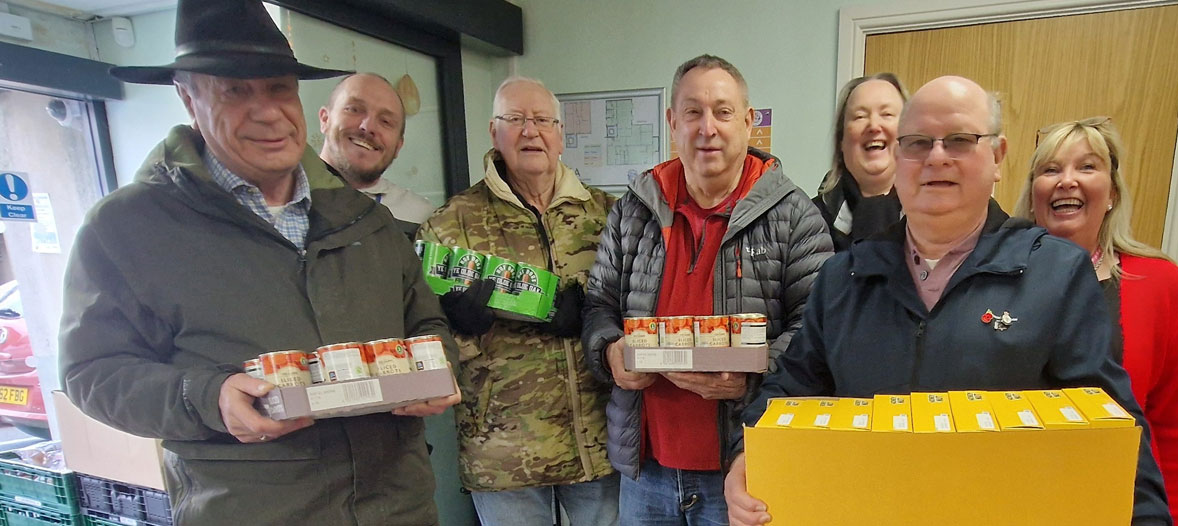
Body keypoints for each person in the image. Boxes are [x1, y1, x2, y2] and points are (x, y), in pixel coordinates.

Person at [58, 1, 459, 524]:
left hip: (395, 505)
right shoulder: (126, 228)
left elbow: (426, 324)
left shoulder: (364, 219)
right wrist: (207, 396)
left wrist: (438, 368)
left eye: (278, 88)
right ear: (188, 96)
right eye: (235, 91)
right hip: (251, 509)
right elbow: (91, 372)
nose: (268, 111)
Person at [724, 76, 1172, 526]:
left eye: (959, 140)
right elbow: (789, 391)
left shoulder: (1057, 274)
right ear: (899, 158)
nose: (936, 157)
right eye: (917, 143)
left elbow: (1114, 431)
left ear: (997, 157)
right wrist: (748, 454)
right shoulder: (844, 277)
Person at [582, 54, 832, 524]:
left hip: (743, 467)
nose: (708, 127)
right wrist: (609, 351)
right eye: (693, 112)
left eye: (722, 111)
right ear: (673, 122)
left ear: (748, 121)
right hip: (646, 468)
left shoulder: (793, 214)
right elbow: (598, 304)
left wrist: (754, 373)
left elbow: (817, 329)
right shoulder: (634, 208)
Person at [417, 76, 619, 526]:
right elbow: (421, 340)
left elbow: (640, 306)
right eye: (516, 119)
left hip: (599, 441)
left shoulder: (607, 214)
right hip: (503, 450)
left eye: (543, 120)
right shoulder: (452, 223)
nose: (531, 131)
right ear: (494, 132)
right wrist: (461, 327)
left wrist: (591, 318)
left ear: (561, 134)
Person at [1016, 117, 1178, 525]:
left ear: (1112, 195)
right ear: (1033, 194)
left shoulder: (1166, 290)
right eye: (1050, 169)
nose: (1066, 181)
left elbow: (1175, 430)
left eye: (1087, 167)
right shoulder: (988, 281)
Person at [318, 72, 434, 235]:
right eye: (354, 109)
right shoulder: (282, 194)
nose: (368, 126)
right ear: (325, 119)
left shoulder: (421, 218)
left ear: (398, 146)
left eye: (386, 121)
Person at [814, 73, 908, 251]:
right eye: (860, 116)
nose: (873, 125)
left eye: (887, 114)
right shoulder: (808, 221)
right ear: (841, 140)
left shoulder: (937, 216)